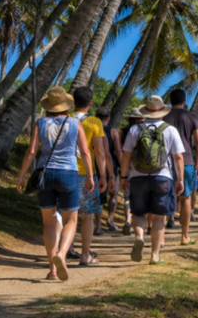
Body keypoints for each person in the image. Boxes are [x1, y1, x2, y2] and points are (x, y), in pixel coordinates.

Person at [16, 87, 95, 281]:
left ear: (49, 106)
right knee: (71, 220)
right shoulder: (75, 123)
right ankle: (61, 254)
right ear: (66, 105)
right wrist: (90, 176)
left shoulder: (41, 123)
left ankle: (53, 268)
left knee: (49, 221)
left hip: (45, 173)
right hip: (68, 173)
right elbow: (85, 152)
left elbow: (31, 152)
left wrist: (21, 175)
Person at [120, 95, 185, 265]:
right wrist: (180, 179)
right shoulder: (170, 130)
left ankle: (139, 237)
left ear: (146, 111)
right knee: (158, 217)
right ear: (162, 112)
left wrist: (124, 177)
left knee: (138, 213)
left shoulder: (135, 129)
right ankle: (154, 255)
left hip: (138, 176)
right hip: (162, 177)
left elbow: (126, 155)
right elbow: (178, 157)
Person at [72, 86, 109, 266]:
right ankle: (85, 255)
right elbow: (99, 151)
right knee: (87, 216)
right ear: (90, 103)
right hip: (86, 174)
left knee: (67, 214)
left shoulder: (65, 118)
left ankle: (67, 249)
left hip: (65, 171)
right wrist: (103, 175)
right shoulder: (94, 122)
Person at [162, 89, 198, 246]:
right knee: (186, 198)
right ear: (184, 101)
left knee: (164, 197)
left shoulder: (164, 116)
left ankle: (161, 237)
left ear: (170, 101)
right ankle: (184, 236)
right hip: (186, 161)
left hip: (166, 161)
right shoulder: (192, 117)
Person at [96, 107, 122, 232]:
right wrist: (123, 166)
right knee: (113, 193)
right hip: (111, 166)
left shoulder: (93, 128)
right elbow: (118, 151)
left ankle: (98, 226)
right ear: (108, 118)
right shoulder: (113, 131)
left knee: (99, 195)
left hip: (95, 165)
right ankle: (110, 218)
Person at [118, 108, 143, 235]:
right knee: (139, 197)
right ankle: (141, 225)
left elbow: (119, 150)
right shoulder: (142, 130)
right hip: (140, 167)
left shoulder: (122, 131)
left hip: (125, 166)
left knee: (127, 197)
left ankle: (128, 221)